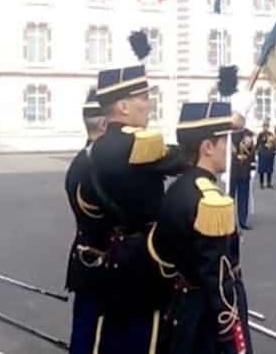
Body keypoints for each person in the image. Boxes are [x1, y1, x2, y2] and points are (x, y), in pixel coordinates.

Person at [88, 32, 181, 351]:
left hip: (112, 259)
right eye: (143, 98)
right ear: (123, 106)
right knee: (147, 338)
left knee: (113, 336)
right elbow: (185, 158)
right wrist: (221, 124)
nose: (148, 103)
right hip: (145, 263)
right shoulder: (139, 143)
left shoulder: (97, 147)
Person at [148, 102, 253, 354]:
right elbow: (218, 281)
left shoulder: (177, 189)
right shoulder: (210, 202)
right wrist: (233, 340)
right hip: (204, 318)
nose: (231, 148)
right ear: (207, 147)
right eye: (224, 142)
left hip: (178, 307)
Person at [64, 90, 111, 354]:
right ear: (105, 123)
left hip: (87, 259)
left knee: (84, 333)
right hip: (101, 262)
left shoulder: (82, 161)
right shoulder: (99, 166)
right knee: (92, 337)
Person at [230, 127, 256, 229]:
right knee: (231, 198)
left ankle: (242, 221)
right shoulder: (228, 134)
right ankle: (232, 221)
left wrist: (252, 167)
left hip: (243, 170)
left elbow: (252, 152)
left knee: (243, 198)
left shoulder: (247, 134)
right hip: (233, 170)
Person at [256, 119, 276, 189]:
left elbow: (274, 143)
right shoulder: (260, 134)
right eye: (264, 126)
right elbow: (258, 144)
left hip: (269, 154)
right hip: (262, 153)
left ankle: (269, 183)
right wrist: (257, 150)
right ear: (263, 127)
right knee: (262, 169)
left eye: (267, 126)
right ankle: (261, 183)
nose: (266, 127)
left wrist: (273, 149)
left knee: (269, 169)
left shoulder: (271, 134)